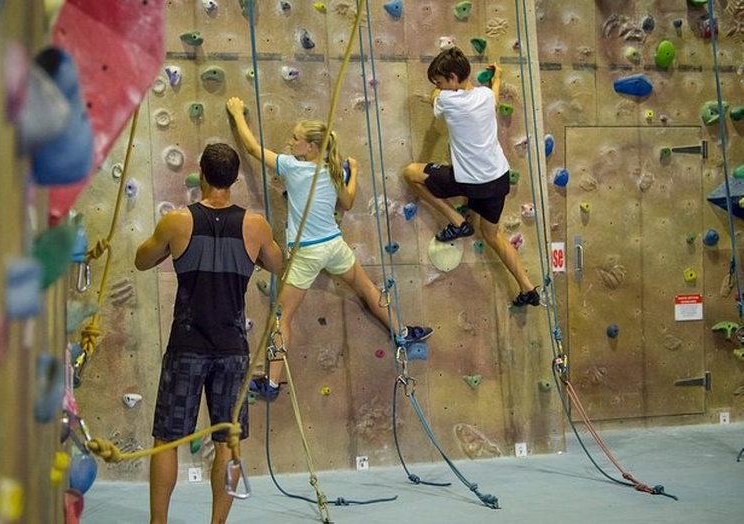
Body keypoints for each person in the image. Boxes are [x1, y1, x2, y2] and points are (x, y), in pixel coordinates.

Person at [226, 96, 433, 402]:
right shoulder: (331, 169)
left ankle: (271, 384)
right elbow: (346, 203)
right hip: (334, 246)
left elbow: (254, 150)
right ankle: (401, 332)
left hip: (308, 252)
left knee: (281, 317)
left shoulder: (295, 168)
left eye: (295, 138)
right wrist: (355, 172)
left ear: (310, 147)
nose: (290, 141)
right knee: (367, 288)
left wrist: (236, 115)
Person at [135, 143, 284, 524]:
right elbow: (277, 264)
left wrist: (170, 244)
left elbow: (142, 260)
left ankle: (158, 523)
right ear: (234, 179)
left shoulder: (177, 221)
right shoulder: (255, 226)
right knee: (227, 444)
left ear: (201, 174)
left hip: (187, 344)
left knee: (167, 439)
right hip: (232, 348)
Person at [402, 47, 540, 308]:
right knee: (492, 235)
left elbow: (434, 98)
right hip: (498, 180)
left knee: (411, 173)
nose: (439, 87)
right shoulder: (486, 96)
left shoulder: (446, 100)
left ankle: (457, 220)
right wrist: (497, 76)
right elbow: (495, 94)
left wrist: (437, 92)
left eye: (441, 82)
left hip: (470, 182)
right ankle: (527, 287)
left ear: (453, 78)